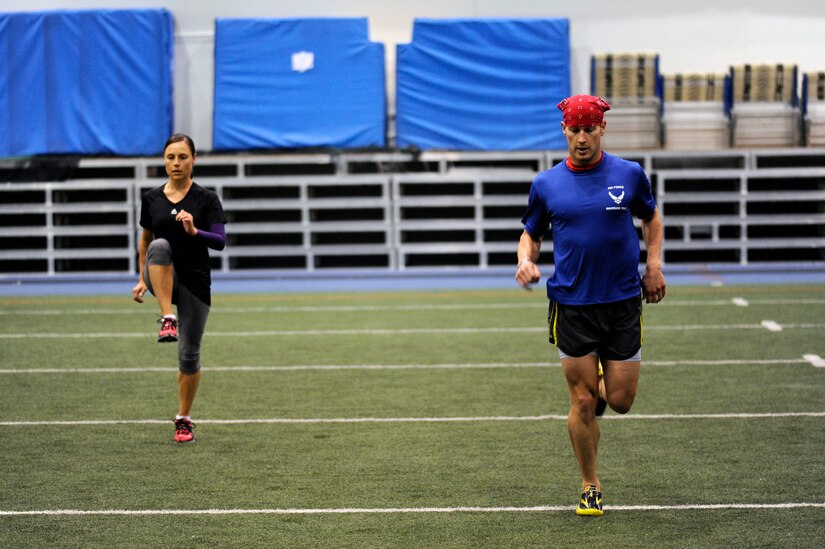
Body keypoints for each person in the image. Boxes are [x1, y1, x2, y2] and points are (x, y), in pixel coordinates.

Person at [515, 94, 666, 516]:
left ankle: (602, 378)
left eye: (589, 129)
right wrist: (526, 261)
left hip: (622, 302)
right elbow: (530, 232)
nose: (582, 137)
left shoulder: (630, 174)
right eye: (575, 129)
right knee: (582, 402)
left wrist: (653, 267)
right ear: (564, 130)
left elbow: (651, 219)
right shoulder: (546, 184)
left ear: (602, 129)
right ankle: (590, 485)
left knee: (619, 400)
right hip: (573, 305)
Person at [131, 133, 226, 443]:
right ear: (164, 160)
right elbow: (145, 241)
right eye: (171, 157)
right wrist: (142, 279)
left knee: (189, 355)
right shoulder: (151, 199)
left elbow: (221, 241)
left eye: (182, 157)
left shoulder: (207, 198)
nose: (176, 163)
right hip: (161, 275)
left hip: (195, 281)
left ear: (193, 160)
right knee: (159, 244)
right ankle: (166, 317)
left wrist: (195, 230)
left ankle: (183, 418)